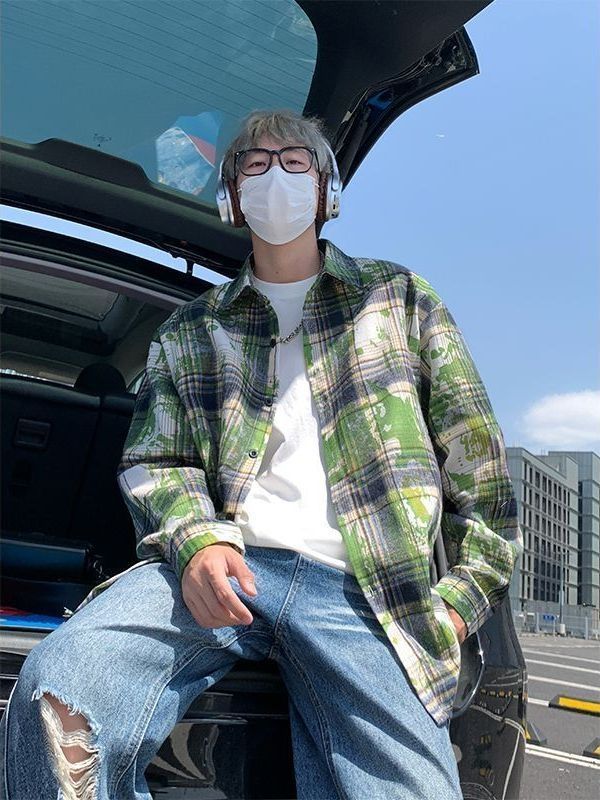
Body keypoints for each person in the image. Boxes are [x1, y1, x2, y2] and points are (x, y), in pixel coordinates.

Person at [0, 109, 523, 800]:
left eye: (295, 162)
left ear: (326, 189)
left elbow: (481, 474)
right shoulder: (191, 328)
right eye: (255, 164)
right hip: (226, 570)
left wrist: (457, 603)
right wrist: (197, 542)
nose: (276, 176)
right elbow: (157, 460)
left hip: (368, 594)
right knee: (57, 694)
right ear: (233, 196)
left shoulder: (401, 300)